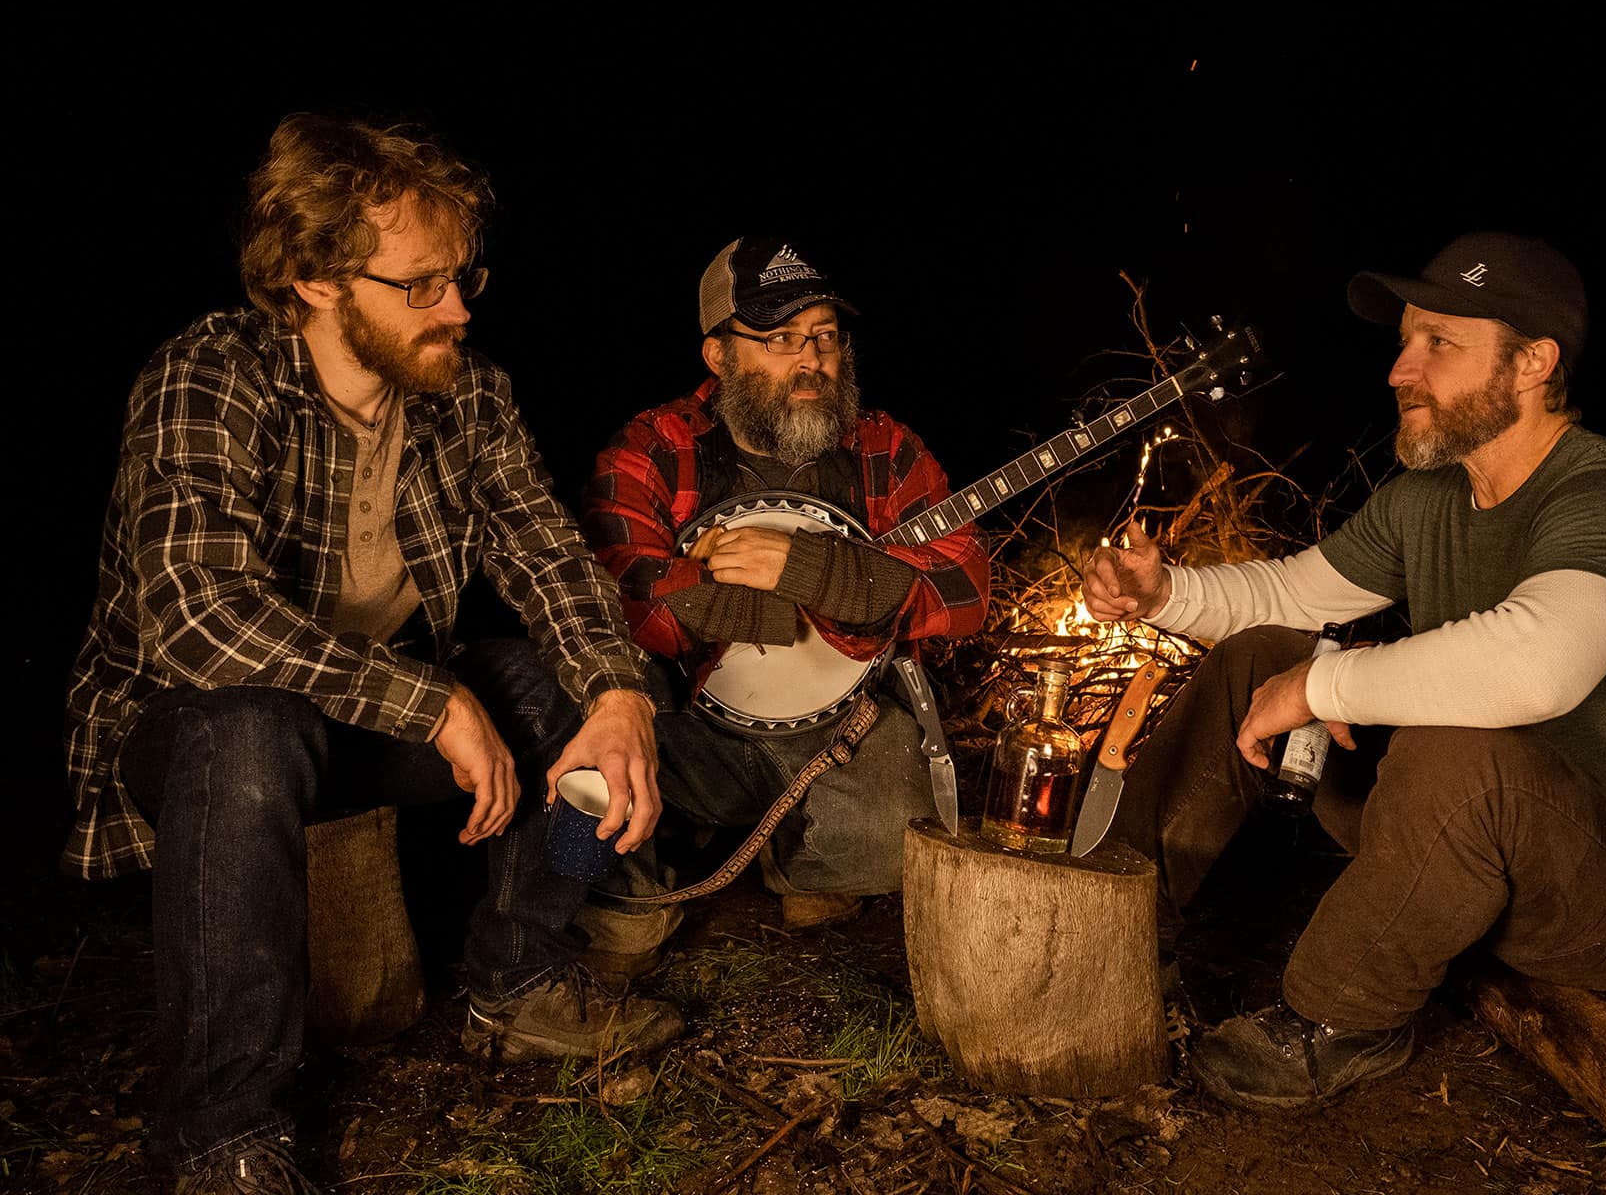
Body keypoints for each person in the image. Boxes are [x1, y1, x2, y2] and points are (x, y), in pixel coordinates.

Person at [62, 113, 680, 1192]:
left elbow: (549, 557)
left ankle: (523, 972)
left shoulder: (468, 392)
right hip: (193, 736)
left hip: (361, 722)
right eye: (421, 284)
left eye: (464, 276)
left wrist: (621, 695)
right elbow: (196, 618)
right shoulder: (211, 374)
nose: (458, 308)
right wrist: (434, 704)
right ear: (313, 279)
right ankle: (218, 1133)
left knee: (557, 695)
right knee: (251, 732)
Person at [1083, 232, 1606, 1110]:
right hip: (1448, 848)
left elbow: (1538, 666)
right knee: (1266, 655)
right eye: (1404, 342)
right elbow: (1286, 596)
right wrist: (1163, 593)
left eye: (1439, 345)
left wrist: (1326, 686)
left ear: (1534, 362)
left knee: (1455, 753)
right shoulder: (1426, 497)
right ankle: (1114, 912)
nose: (1399, 369)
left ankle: (1335, 1020)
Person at [579, 237, 989, 954]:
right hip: (688, 723)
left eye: (825, 337)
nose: (811, 361)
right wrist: (786, 593)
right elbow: (622, 602)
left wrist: (810, 570)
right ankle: (633, 894)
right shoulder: (653, 447)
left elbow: (964, 590)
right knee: (587, 709)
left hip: (835, 727)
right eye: (779, 340)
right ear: (719, 355)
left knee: (899, 848)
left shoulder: (886, 449)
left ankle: (801, 861)